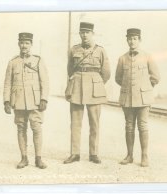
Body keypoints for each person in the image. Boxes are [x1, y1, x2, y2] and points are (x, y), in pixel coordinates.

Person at [64, 22, 111, 164]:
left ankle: (94, 154)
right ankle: (75, 153)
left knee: (94, 124)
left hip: (94, 88)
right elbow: (70, 69)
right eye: (82, 33)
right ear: (79, 34)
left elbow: (106, 73)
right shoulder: (73, 50)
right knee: (75, 123)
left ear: (92, 34)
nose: (84, 35)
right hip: (77, 87)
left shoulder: (101, 50)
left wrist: (95, 81)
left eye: (87, 32)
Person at [3, 32, 49, 169]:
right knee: (21, 129)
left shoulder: (38, 60)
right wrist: (6, 101)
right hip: (18, 102)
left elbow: (44, 81)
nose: (24, 46)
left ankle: (38, 158)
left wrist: (44, 99)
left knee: (37, 129)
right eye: (22, 43)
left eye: (27, 43)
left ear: (31, 45)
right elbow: (7, 83)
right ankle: (24, 158)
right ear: (19, 44)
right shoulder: (13, 62)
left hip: (35, 102)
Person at [115, 28, 160, 167]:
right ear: (126, 40)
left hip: (143, 99)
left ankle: (144, 156)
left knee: (143, 126)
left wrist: (145, 88)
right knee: (129, 127)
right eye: (129, 38)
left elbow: (156, 77)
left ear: (139, 40)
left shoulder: (147, 56)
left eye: (135, 38)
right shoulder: (122, 58)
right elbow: (118, 78)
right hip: (127, 98)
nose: (132, 41)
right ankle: (129, 156)